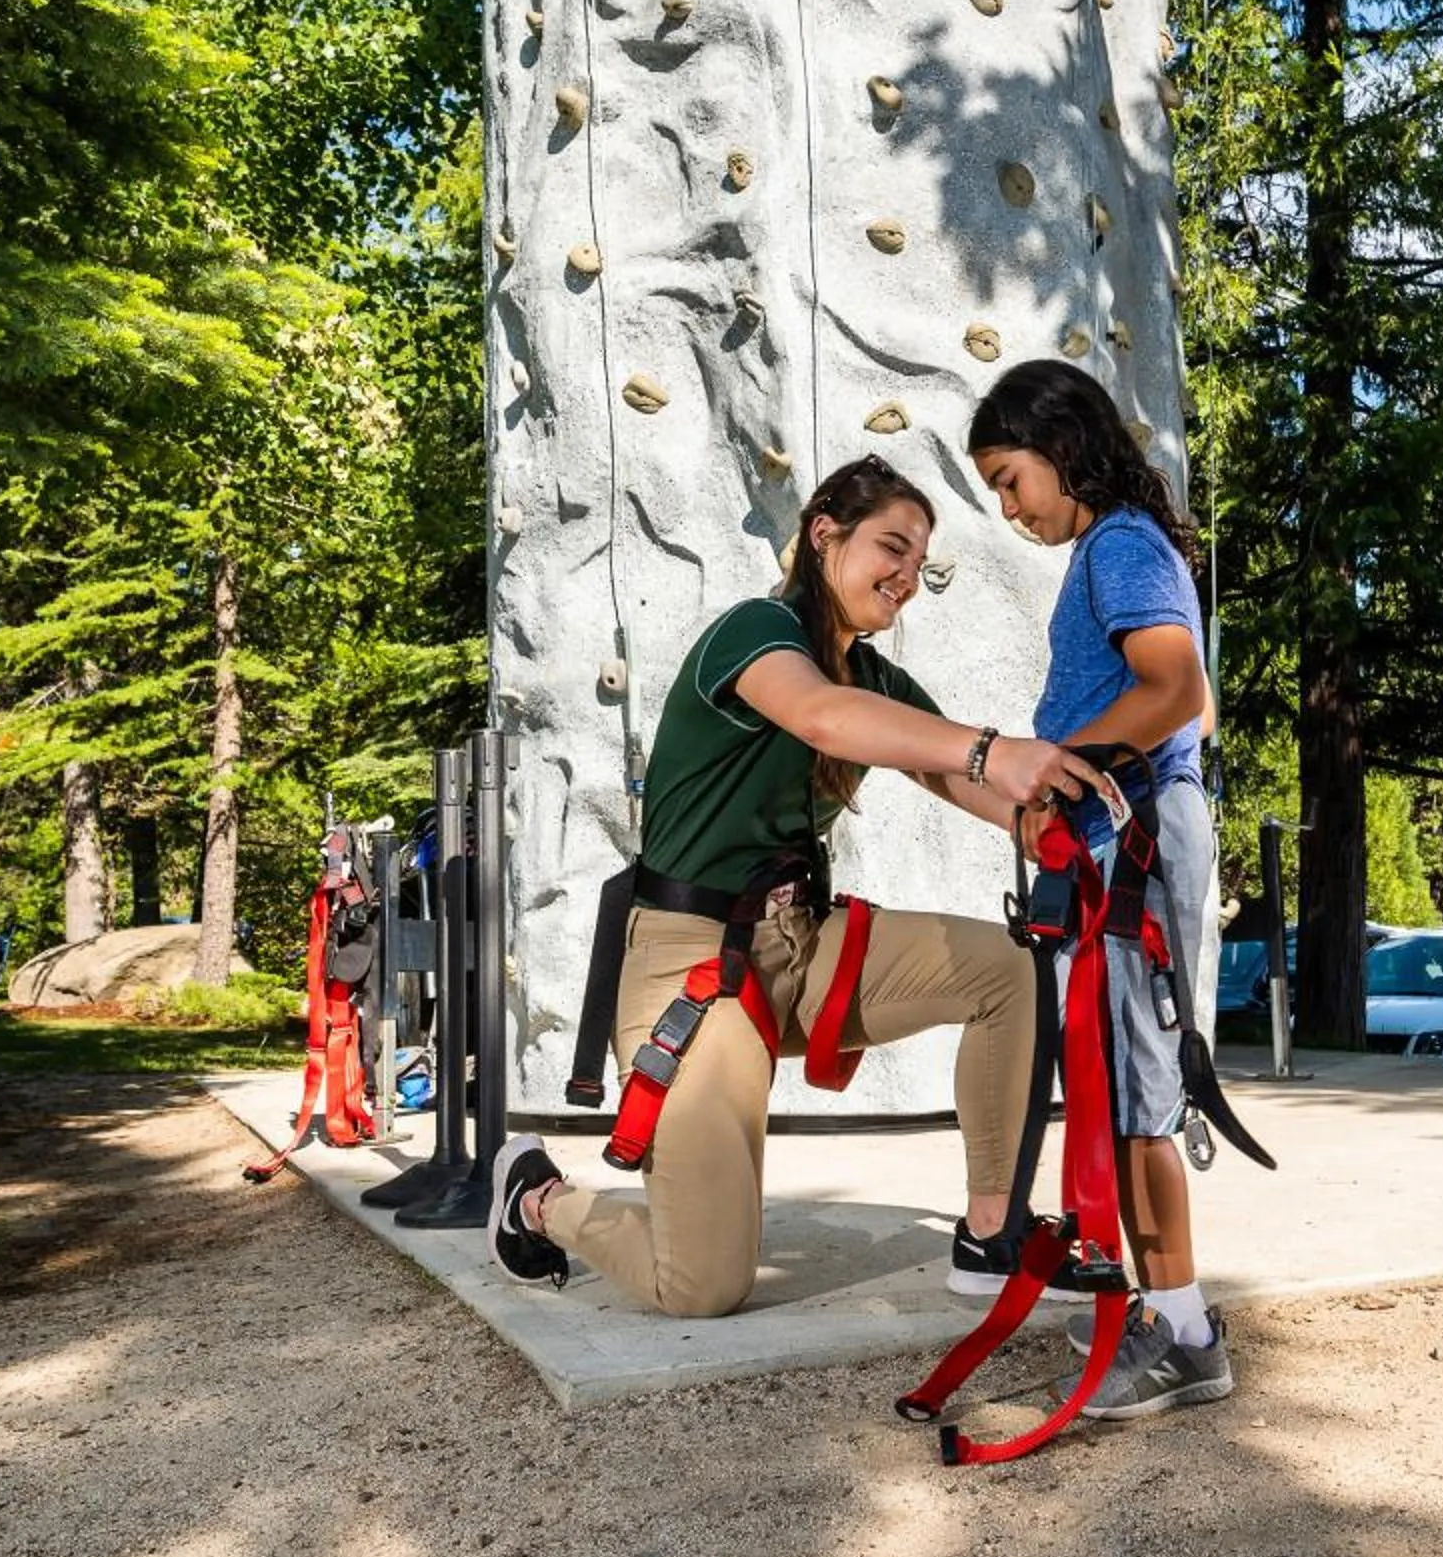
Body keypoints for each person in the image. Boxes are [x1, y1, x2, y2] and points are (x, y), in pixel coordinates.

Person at [492, 454, 1104, 1317]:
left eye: (920, 565)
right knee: (701, 1286)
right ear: (825, 534)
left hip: (803, 944)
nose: (907, 579)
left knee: (1004, 971)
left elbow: (945, 771)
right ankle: (536, 1200)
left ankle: (991, 1237)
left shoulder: (871, 676)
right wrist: (989, 748)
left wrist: (1050, 830)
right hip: (691, 967)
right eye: (891, 547)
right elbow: (824, 717)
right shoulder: (756, 633)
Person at [967, 359, 1233, 1418]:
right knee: (1117, 1085)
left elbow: (1178, 690)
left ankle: (1186, 1332)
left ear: (1063, 447)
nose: (1006, 505)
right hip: (1119, 838)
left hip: (1134, 846)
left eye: (1009, 476)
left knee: (1135, 1096)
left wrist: (1053, 758)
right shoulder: (1113, 549)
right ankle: (1165, 1309)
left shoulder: (1120, 544)